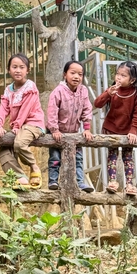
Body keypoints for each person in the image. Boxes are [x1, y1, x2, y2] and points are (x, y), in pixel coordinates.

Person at [94, 60, 137, 195]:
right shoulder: (113, 90)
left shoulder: (136, 92)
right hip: (111, 128)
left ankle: (129, 184)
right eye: (118, 74)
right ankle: (112, 182)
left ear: (132, 80)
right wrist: (108, 93)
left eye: (123, 76)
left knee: (127, 157)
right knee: (112, 156)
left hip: (127, 131)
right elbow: (97, 104)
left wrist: (133, 130)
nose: (118, 77)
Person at [0, 53, 44, 189]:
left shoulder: (30, 87)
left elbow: (26, 109)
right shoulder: (8, 90)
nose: (18, 70)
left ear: (27, 70)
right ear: (9, 70)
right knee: (3, 150)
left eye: (22, 67)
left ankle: (34, 167)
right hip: (19, 128)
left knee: (20, 144)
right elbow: (3, 109)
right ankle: (20, 177)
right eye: (14, 67)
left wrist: (16, 125)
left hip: (33, 123)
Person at [47, 60, 94, 192]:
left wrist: (86, 129)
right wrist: (54, 130)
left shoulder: (83, 91)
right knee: (55, 157)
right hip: (56, 131)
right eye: (72, 73)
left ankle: (80, 183)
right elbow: (52, 111)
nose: (76, 77)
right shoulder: (58, 91)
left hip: (74, 131)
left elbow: (87, 109)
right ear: (64, 74)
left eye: (80, 74)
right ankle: (53, 181)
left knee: (77, 158)